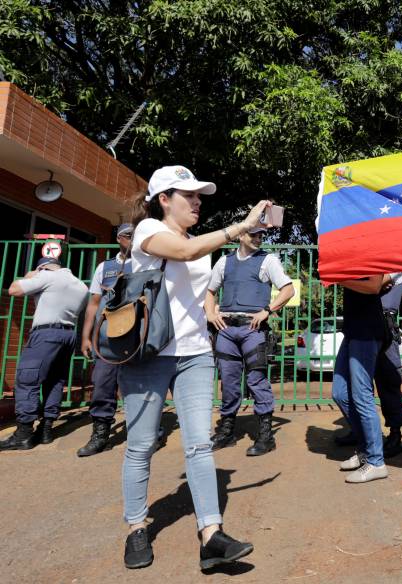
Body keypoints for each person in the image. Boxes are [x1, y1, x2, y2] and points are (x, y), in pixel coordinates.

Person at [118, 165, 265, 570]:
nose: (198, 201)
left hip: (196, 353)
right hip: (149, 353)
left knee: (199, 444)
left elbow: (199, 293)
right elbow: (182, 253)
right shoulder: (149, 230)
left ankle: (211, 535)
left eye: (200, 195)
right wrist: (239, 227)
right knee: (141, 445)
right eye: (189, 195)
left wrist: (216, 312)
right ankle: (136, 528)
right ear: (164, 199)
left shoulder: (201, 244)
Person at [205, 226, 295, 456]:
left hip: (252, 329)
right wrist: (211, 314)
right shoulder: (224, 262)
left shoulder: (268, 261)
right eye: (253, 234)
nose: (258, 238)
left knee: (256, 379)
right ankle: (227, 432)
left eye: (261, 235)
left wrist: (268, 310)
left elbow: (288, 289)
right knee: (228, 381)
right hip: (225, 328)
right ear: (240, 236)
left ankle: (265, 435)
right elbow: (210, 291)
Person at [78, 224, 166, 457]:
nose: (134, 240)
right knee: (102, 384)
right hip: (109, 337)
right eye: (129, 236)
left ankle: (151, 431)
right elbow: (93, 304)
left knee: (144, 385)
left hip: (139, 334)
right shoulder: (104, 267)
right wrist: (86, 337)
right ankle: (100, 434)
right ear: (119, 238)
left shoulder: (150, 263)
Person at [0, 256, 88, 450]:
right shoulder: (81, 285)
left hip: (46, 334)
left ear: (44, 268)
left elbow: (15, 289)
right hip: (68, 335)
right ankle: (46, 429)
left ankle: (23, 434)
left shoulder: (49, 277)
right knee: (55, 381)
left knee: (27, 379)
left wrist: (32, 275)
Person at [334, 272, 402, 458]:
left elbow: (374, 284)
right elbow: (371, 284)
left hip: (383, 325)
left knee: (388, 381)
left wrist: (361, 282)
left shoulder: (395, 262)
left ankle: (395, 435)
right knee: (353, 386)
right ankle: (361, 433)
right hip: (361, 322)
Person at [331, 274, 392, 483]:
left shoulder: (371, 250)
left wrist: (338, 279)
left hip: (366, 332)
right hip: (352, 331)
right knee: (340, 393)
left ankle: (376, 462)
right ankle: (367, 449)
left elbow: (374, 285)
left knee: (362, 396)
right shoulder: (350, 255)